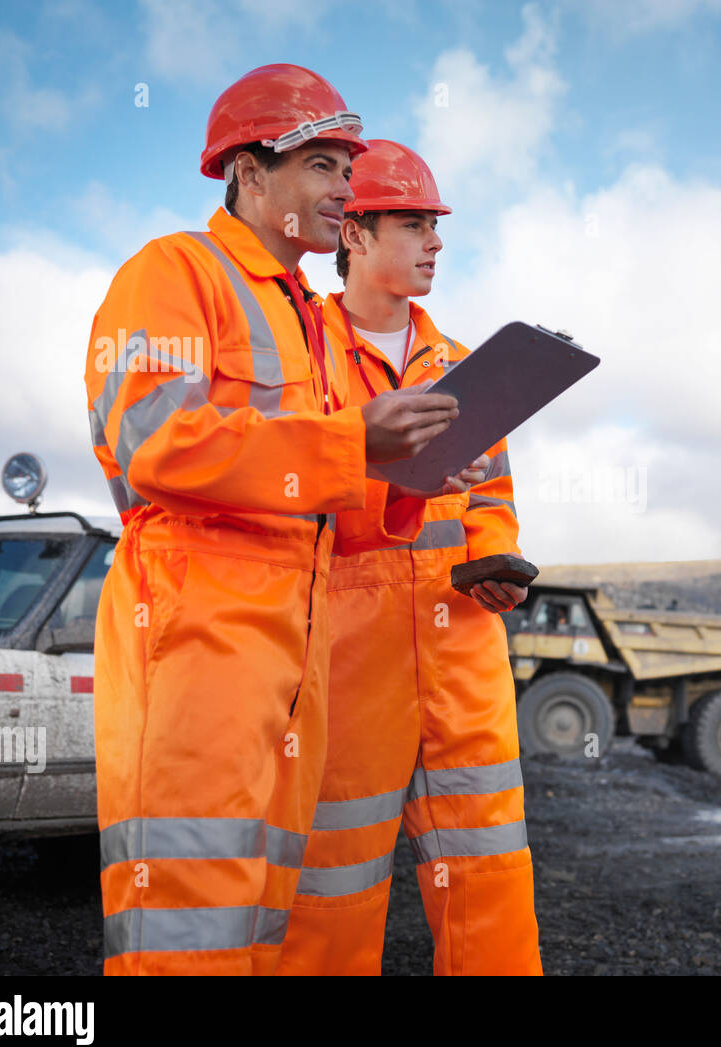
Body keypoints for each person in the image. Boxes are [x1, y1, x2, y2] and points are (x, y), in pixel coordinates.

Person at [84, 66, 482, 976]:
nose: (347, 185)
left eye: (347, 166)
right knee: (187, 926)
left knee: (265, 930)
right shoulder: (175, 271)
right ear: (248, 174)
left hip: (293, 660)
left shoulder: (308, 320)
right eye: (321, 164)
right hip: (195, 640)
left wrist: (413, 478)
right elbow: (149, 436)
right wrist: (351, 442)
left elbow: (340, 504)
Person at [276, 140, 542, 976]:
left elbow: (492, 499)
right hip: (349, 658)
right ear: (354, 233)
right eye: (415, 223)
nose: (435, 243)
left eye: (436, 226)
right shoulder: (302, 350)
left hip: (463, 653)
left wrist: (496, 561)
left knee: (491, 876)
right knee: (332, 889)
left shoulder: (463, 365)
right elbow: (284, 486)